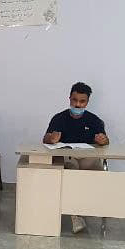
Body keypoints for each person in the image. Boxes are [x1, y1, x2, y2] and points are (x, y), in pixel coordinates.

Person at [43, 82, 109, 234]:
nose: (77, 104)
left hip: (87, 157)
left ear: (87, 102)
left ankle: (85, 208)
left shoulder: (94, 120)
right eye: (74, 100)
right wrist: (51, 139)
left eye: (82, 101)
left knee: (96, 173)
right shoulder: (59, 118)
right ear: (69, 99)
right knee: (71, 169)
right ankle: (76, 215)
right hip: (67, 156)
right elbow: (45, 139)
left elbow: (105, 141)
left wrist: (103, 140)